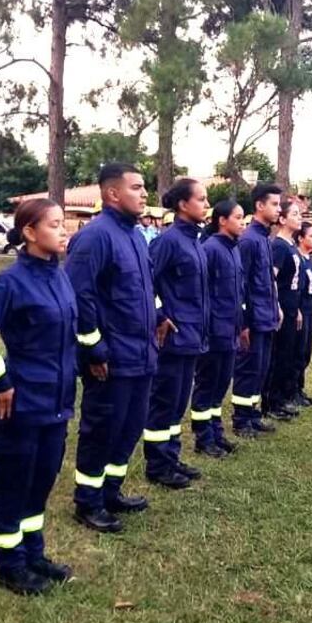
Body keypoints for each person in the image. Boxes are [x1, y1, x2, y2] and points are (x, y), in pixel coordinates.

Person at [0, 199, 76, 596]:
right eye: (55, 225)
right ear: (29, 232)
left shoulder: (59, 276)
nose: (64, 231)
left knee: (41, 480)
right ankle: (9, 563)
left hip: (56, 403)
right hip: (22, 403)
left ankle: (33, 553)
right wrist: (0, 378)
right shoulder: (10, 282)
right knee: (13, 482)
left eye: (64, 224)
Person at [64, 163, 158, 533]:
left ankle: (111, 491)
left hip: (141, 353)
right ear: (112, 194)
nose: (144, 193)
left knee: (130, 426)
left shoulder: (135, 236)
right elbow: (79, 296)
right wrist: (94, 349)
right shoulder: (96, 237)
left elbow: (144, 288)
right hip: (112, 357)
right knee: (102, 427)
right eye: (136, 187)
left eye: (144, 187)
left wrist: (160, 317)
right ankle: (87, 502)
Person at [144, 178, 210, 488]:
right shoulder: (168, 241)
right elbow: (147, 283)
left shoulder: (195, 241)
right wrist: (160, 315)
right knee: (164, 402)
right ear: (183, 205)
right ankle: (157, 465)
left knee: (178, 402)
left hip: (192, 337)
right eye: (202, 199)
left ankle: (171, 457)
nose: (206, 205)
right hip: (172, 337)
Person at [190, 199, 245, 457]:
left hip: (230, 329)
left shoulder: (233, 249)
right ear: (222, 221)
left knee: (221, 385)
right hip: (213, 331)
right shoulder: (210, 249)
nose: (242, 222)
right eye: (238, 217)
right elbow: (202, 292)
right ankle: (203, 439)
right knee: (206, 385)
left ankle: (216, 432)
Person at [231, 182, 282, 437]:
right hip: (253, 318)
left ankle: (252, 414)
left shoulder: (264, 238)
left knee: (260, 369)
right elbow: (241, 284)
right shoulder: (249, 240)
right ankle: (241, 420)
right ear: (259, 205)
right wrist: (244, 323)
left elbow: (266, 281)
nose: (278, 209)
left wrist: (277, 308)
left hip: (266, 315)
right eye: (274, 204)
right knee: (248, 368)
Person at [264, 196, 304, 420]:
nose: (299, 218)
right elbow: (273, 279)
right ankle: (271, 402)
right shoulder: (278, 245)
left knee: (287, 354)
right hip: (281, 308)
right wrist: (277, 306)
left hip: (291, 307)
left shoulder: (290, 245)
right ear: (282, 219)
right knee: (278, 355)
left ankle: (281, 397)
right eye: (294, 214)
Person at [295, 220, 312, 406]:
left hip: (310, 308)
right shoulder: (298, 259)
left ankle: (299, 388)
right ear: (300, 238)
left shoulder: (308, 259)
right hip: (301, 308)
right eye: (311, 236)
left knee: (305, 351)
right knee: (297, 351)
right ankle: (291, 391)